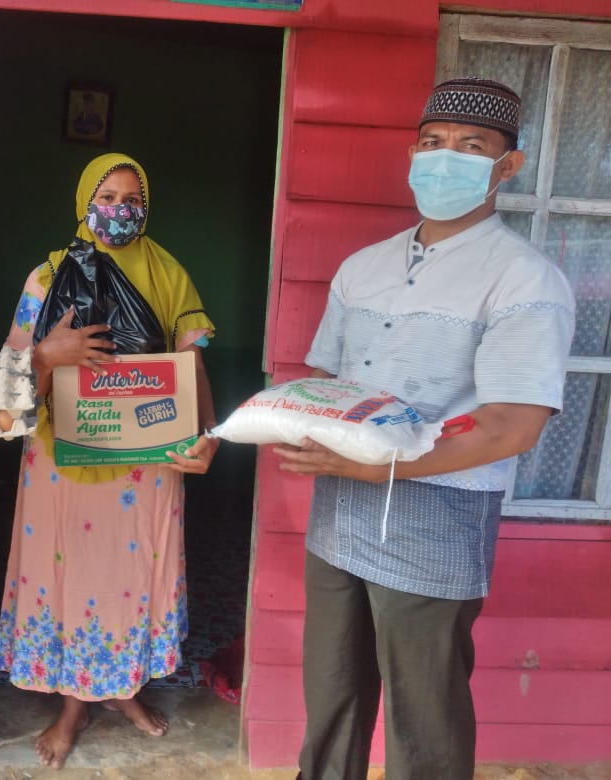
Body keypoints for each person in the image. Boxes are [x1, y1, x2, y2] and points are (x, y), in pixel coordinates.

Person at [274, 78, 576, 779]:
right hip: (339, 520)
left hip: (437, 523)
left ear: (508, 167)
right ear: (413, 152)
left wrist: (380, 466)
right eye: (433, 144)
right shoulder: (363, 268)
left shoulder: (524, 280)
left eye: (471, 147)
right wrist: (232, 431)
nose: (446, 160)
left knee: (424, 719)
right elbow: (325, 390)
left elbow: (511, 426)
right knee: (333, 697)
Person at [0, 153, 220, 769]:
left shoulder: (168, 274)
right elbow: (15, 371)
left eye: (131, 199)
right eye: (108, 197)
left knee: (130, 574)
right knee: (69, 574)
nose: (120, 211)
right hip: (62, 455)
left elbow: (192, 361)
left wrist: (209, 431)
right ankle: (73, 705)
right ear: (84, 202)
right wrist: (52, 352)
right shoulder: (48, 278)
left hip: (144, 458)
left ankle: (122, 690)